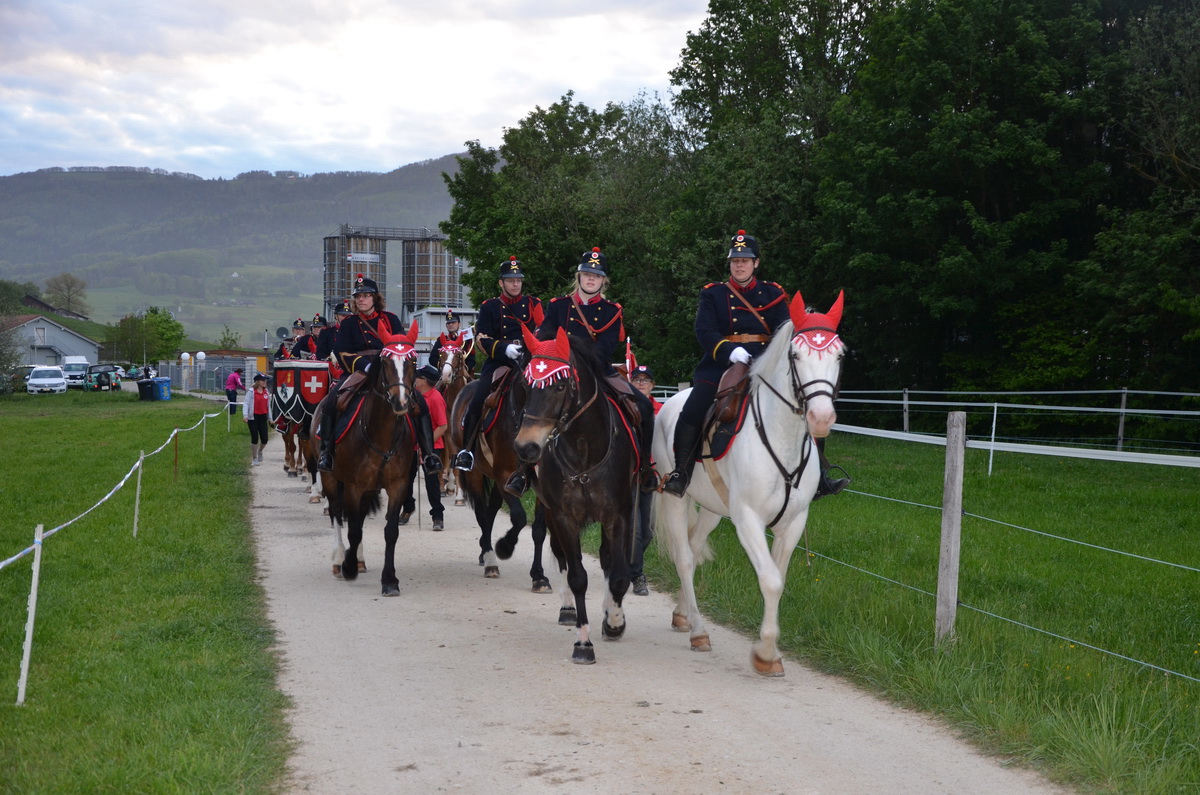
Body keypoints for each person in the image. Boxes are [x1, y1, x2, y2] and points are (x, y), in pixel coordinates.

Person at [661, 230, 849, 499]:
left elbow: (783, 331)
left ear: (756, 263)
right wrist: (729, 351)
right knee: (693, 408)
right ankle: (681, 472)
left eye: (745, 260)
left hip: (765, 362)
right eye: (735, 260)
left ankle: (819, 476)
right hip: (721, 363)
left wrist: (769, 356)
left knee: (808, 403)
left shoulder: (773, 293)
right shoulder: (713, 293)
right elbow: (704, 331)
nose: (739, 265)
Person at [531, 246, 657, 496]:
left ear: (603, 281)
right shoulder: (558, 306)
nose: (591, 279)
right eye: (588, 274)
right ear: (579, 277)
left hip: (598, 370)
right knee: (531, 401)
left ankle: (644, 466)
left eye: (597, 276)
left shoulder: (612, 311)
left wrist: (581, 364)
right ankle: (522, 469)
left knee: (643, 406)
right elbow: (545, 337)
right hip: (561, 372)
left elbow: (606, 347)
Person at [317, 274, 441, 474]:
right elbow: (342, 352)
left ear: (375, 298)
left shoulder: (390, 319)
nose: (361, 299)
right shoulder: (349, 323)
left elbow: (402, 346)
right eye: (358, 296)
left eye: (366, 296)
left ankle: (429, 455)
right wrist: (366, 366)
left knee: (420, 403)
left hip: (389, 370)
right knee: (333, 399)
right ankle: (326, 452)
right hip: (359, 371)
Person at [453, 256, 544, 475]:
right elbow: (481, 338)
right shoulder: (490, 307)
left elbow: (544, 330)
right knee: (477, 399)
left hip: (529, 361)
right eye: (510, 280)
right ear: (501, 283)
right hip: (499, 362)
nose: (515, 284)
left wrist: (531, 347)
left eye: (518, 280)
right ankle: (467, 451)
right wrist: (504, 348)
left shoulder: (534, 304)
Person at [400, 365, 447, 530]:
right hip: (412, 447)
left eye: (417, 377)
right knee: (406, 480)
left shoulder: (436, 398)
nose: (415, 379)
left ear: (424, 381)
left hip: (431, 447)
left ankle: (437, 516)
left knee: (432, 483)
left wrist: (425, 445)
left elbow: (442, 426)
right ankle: (408, 507)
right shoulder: (412, 395)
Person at [629, 364, 662, 596]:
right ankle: (637, 576)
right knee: (636, 530)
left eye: (645, 380)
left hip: (652, 475)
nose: (641, 383)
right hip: (630, 474)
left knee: (649, 530)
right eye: (637, 379)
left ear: (652, 385)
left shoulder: (663, 411)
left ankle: (624, 561)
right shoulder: (626, 408)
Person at [428, 309, 475, 376]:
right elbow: (432, 358)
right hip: (444, 374)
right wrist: (444, 366)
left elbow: (472, 359)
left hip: (462, 374)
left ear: (459, 324)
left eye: (453, 322)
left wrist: (463, 368)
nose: (450, 324)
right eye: (448, 323)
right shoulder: (441, 340)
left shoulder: (467, 340)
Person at [242, 373, 273, 466]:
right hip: (253, 417)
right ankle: (254, 458)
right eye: (262, 380)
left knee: (265, 439)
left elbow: (268, 406)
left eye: (265, 380)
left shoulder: (266, 392)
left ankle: (260, 451)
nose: (264, 382)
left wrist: (270, 418)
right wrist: (245, 415)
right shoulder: (251, 392)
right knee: (255, 437)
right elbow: (246, 403)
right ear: (257, 382)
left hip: (263, 417)